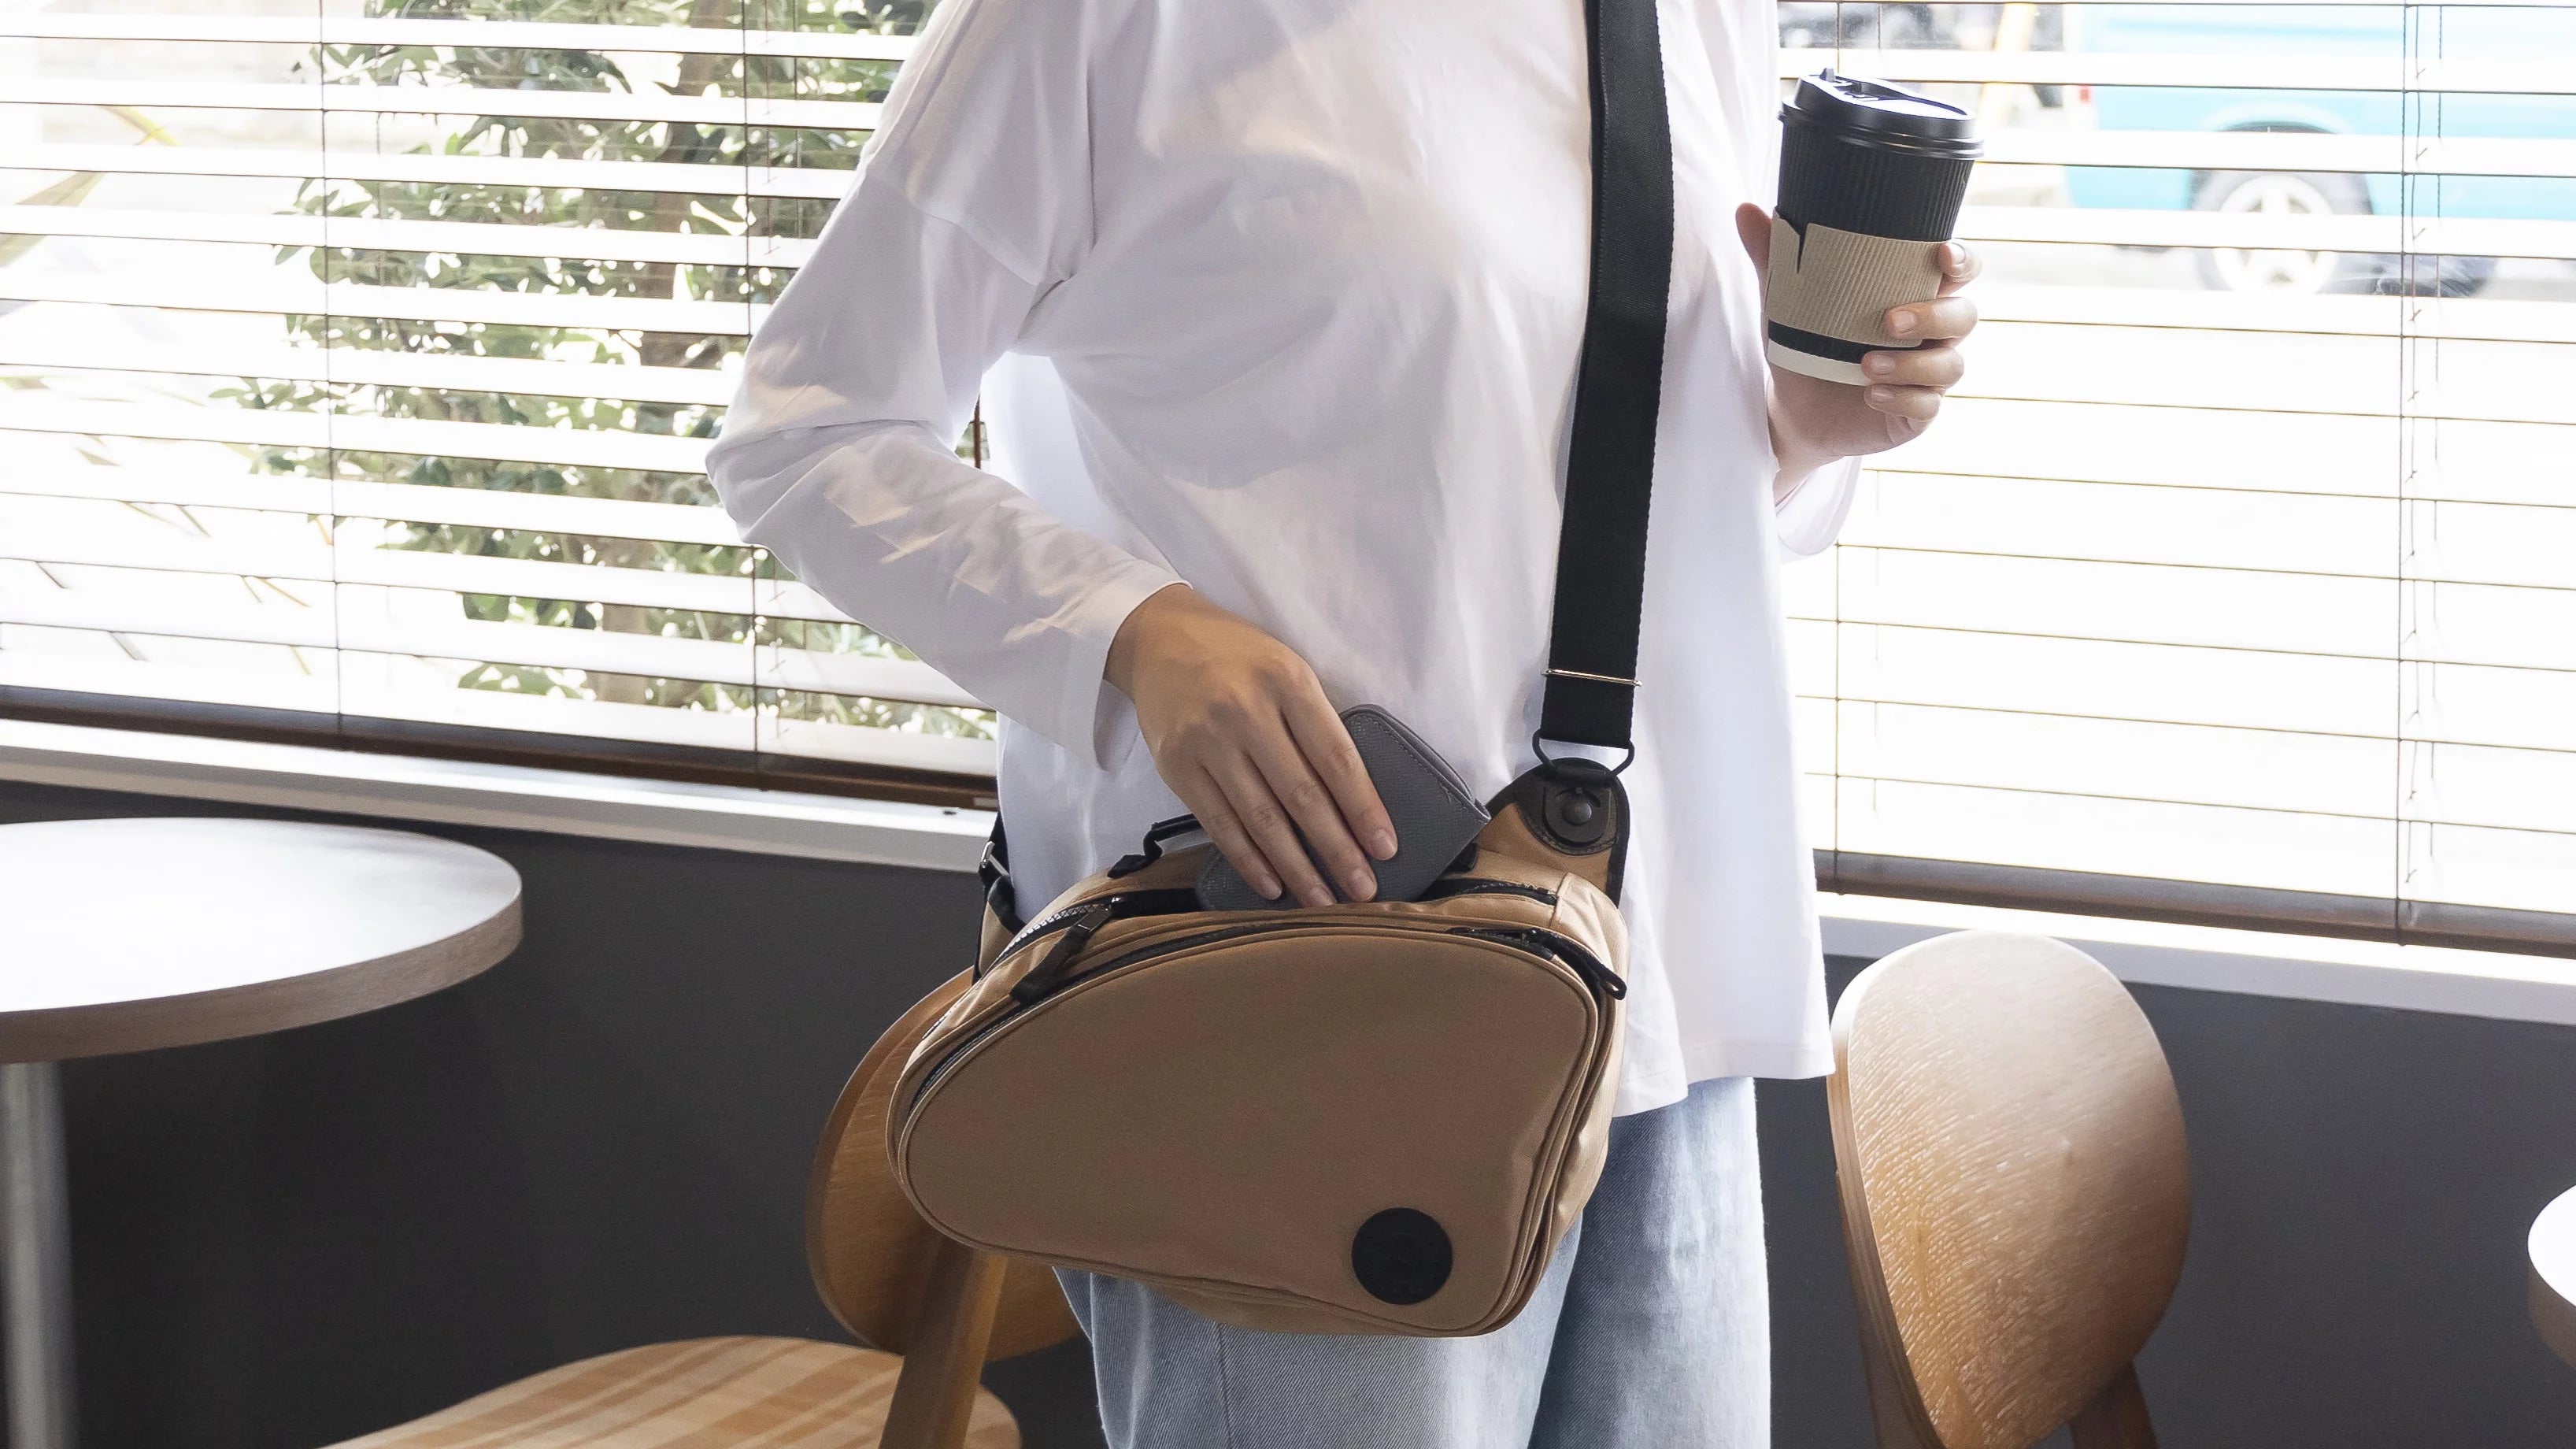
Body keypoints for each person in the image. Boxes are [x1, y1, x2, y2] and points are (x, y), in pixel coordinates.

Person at [709, 0, 1978, 1440]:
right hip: (1302, 1004)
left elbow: (1582, 462)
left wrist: (1806, 432)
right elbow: (807, 436)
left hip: (1656, 996)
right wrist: (1135, 632)